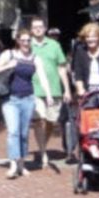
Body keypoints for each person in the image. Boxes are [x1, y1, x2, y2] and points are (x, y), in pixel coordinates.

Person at [0, 28, 54, 179]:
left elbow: (43, 77)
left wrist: (49, 95)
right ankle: (13, 164)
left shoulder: (35, 58)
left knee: (23, 133)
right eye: (23, 40)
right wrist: (8, 65)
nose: (26, 43)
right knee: (13, 131)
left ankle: (21, 164)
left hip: (28, 99)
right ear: (18, 41)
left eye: (28, 40)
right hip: (10, 99)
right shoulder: (9, 54)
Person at [30, 17, 72, 169]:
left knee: (50, 121)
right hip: (34, 88)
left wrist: (67, 89)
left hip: (54, 89)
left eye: (40, 26)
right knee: (39, 119)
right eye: (35, 27)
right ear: (31, 29)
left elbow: (61, 68)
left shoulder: (54, 45)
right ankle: (43, 153)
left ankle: (42, 147)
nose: (38, 29)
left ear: (45, 28)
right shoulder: (27, 45)